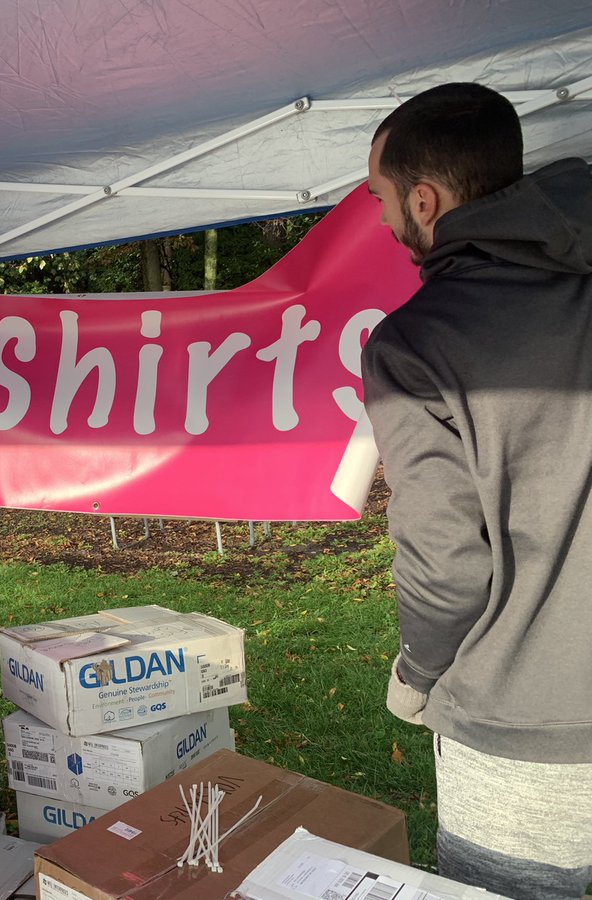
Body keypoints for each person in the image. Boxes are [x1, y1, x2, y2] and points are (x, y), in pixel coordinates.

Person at [361, 82, 592, 899]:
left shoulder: (416, 343)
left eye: (382, 198)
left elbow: (447, 562)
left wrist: (417, 674)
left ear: (424, 199)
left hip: (520, 729)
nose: (386, 220)